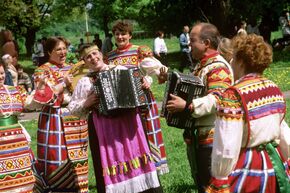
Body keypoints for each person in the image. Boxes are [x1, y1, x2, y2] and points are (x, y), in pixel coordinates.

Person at [68, 44, 162, 193]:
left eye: (95, 53)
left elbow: (140, 84)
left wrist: (144, 82)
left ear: (101, 54)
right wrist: (86, 103)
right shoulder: (85, 81)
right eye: (88, 57)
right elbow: (72, 108)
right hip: (104, 129)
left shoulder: (120, 69)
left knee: (137, 155)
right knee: (109, 161)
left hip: (129, 123)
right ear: (84, 61)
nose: (93, 58)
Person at [206, 34, 290, 193]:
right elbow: (284, 132)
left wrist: (220, 177)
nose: (230, 62)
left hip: (249, 168)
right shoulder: (273, 88)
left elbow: (226, 146)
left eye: (234, 57)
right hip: (276, 165)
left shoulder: (233, 95)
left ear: (241, 62)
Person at [166, 22, 233, 192]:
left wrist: (188, 106)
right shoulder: (202, 65)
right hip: (198, 140)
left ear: (206, 43)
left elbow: (218, 99)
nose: (189, 46)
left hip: (212, 141)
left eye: (192, 41)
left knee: (213, 187)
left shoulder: (218, 67)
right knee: (202, 185)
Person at [107, 20, 169, 177]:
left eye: (123, 34)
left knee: (148, 132)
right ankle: (136, 169)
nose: (120, 37)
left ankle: (154, 168)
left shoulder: (138, 51)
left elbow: (153, 71)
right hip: (121, 104)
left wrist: (151, 79)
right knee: (128, 137)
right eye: (117, 34)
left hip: (142, 99)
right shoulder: (110, 56)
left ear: (130, 35)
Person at [30, 36, 88, 192]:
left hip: (74, 116)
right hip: (53, 117)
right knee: (56, 156)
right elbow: (45, 96)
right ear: (49, 51)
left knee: (77, 156)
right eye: (58, 49)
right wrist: (64, 83)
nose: (63, 52)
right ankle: (56, 187)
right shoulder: (42, 70)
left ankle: (77, 186)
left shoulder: (72, 68)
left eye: (64, 49)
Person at [0, 62, 36, 192]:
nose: (0, 77)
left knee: (22, 176)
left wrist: (41, 87)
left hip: (17, 141)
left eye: (2, 73)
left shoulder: (14, 90)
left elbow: (30, 104)